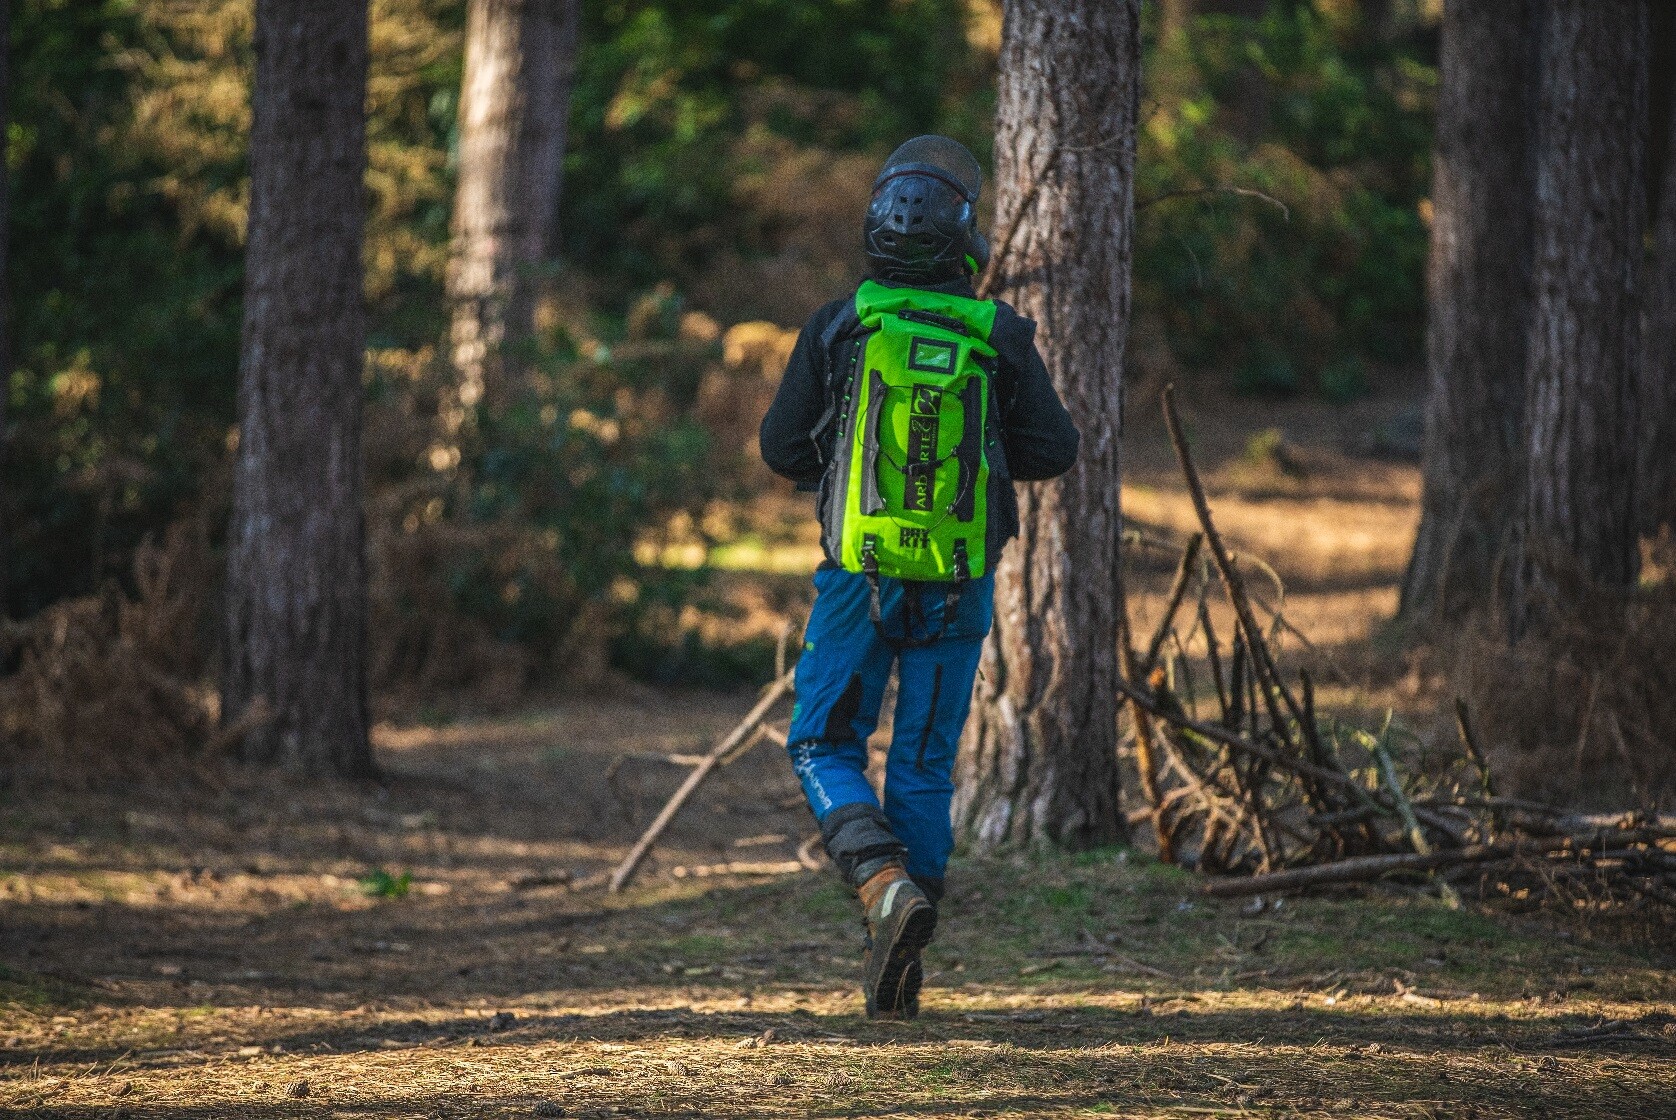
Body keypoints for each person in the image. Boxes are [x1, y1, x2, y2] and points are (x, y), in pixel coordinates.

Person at [758, 136, 1080, 1019]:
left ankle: (877, 883)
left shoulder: (838, 324)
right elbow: (1055, 449)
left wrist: (839, 466)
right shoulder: (999, 335)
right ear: (964, 242)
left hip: (856, 576)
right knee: (926, 764)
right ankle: (899, 942)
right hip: (959, 582)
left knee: (822, 742)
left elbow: (780, 446)